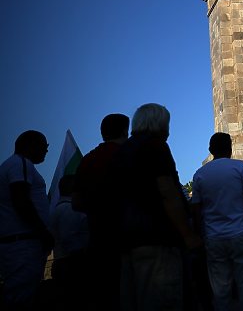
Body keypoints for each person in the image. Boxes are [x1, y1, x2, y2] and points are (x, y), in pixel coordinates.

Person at [112, 104, 202, 311]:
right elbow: (167, 191)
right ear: (158, 123)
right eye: (167, 124)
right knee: (164, 302)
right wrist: (187, 234)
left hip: (127, 244)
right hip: (157, 242)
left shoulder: (121, 151)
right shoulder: (155, 146)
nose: (168, 130)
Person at [191, 133, 243, 311]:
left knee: (220, 292)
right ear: (230, 148)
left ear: (210, 150)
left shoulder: (200, 175)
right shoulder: (240, 167)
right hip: (242, 232)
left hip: (214, 237)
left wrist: (200, 236)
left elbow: (196, 209)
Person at [72, 113, 129, 311]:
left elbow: (77, 203)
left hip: (98, 241)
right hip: (128, 240)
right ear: (124, 130)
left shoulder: (86, 161)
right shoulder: (129, 155)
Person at [0, 130, 52, 310]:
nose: (46, 150)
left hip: (22, 244)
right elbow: (20, 198)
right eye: (44, 145)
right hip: (23, 244)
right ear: (32, 144)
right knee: (22, 301)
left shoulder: (14, 164)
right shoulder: (20, 163)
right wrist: (43, 232)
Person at [49, 174, 88, 300]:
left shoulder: (64, 208)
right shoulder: (68, 208)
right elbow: (69, 240)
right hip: (70, 265)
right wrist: (85, 259)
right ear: (72, 188)